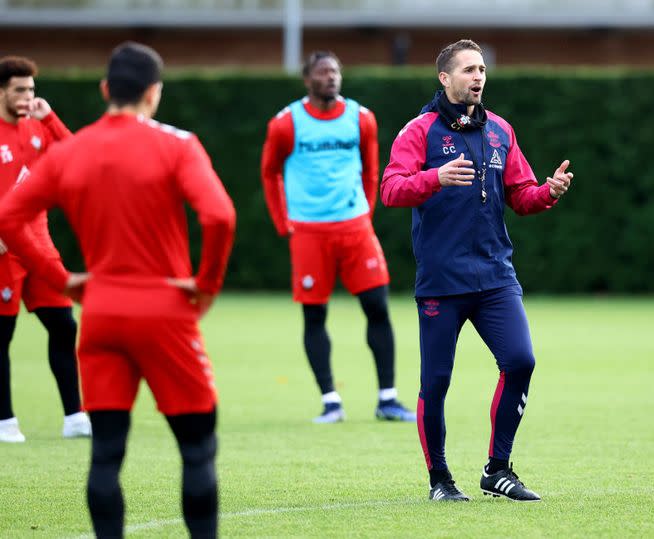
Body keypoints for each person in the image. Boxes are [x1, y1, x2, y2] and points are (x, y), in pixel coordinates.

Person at [0, 42, 236, 537]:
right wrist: (206, 286)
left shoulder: (69, 150)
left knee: (106, 452)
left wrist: (61, 278)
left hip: (102, 313)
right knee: (196, 449)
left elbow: (10, 217)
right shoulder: (178, 144)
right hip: (166, 311)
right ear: (154, 93)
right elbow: (219, 216)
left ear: (106, 89)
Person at [381, 39, 573, 502]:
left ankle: (498, 470)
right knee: (437, 382)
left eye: (482, 69)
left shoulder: (500, 131)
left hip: (494, 278)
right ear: (444, 79)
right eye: (468, 69)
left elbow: (521, 196)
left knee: (521, 361)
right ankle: (440, 480)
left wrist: (548, 192)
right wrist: (435, 178)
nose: (478, 77)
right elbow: (390, 190)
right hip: (442, 282)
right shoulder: (419, 131)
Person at [261, 51, 415, 424]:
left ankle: (388, 399)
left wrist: (364, 211)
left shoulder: (361, 118)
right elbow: (270, 173)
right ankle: (331, 400)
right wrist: (284, 224)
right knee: (315, 315)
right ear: (307, 80)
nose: (331, 77)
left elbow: (371, 167)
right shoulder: (286, 124)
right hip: (309, 231)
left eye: (335, 71)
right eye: (322, 72)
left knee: (377, 307)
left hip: (354, 227)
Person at [0, 55, 91, 443]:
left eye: (31, 89)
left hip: (38, 245)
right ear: (1, 91)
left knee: (63, 324)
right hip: (3, 250)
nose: (26, 96)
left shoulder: (39, 127)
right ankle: (4, 421)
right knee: (2, 334)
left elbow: (80, 156)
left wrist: (50, 116)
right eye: (19, 89)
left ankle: (74, 416)